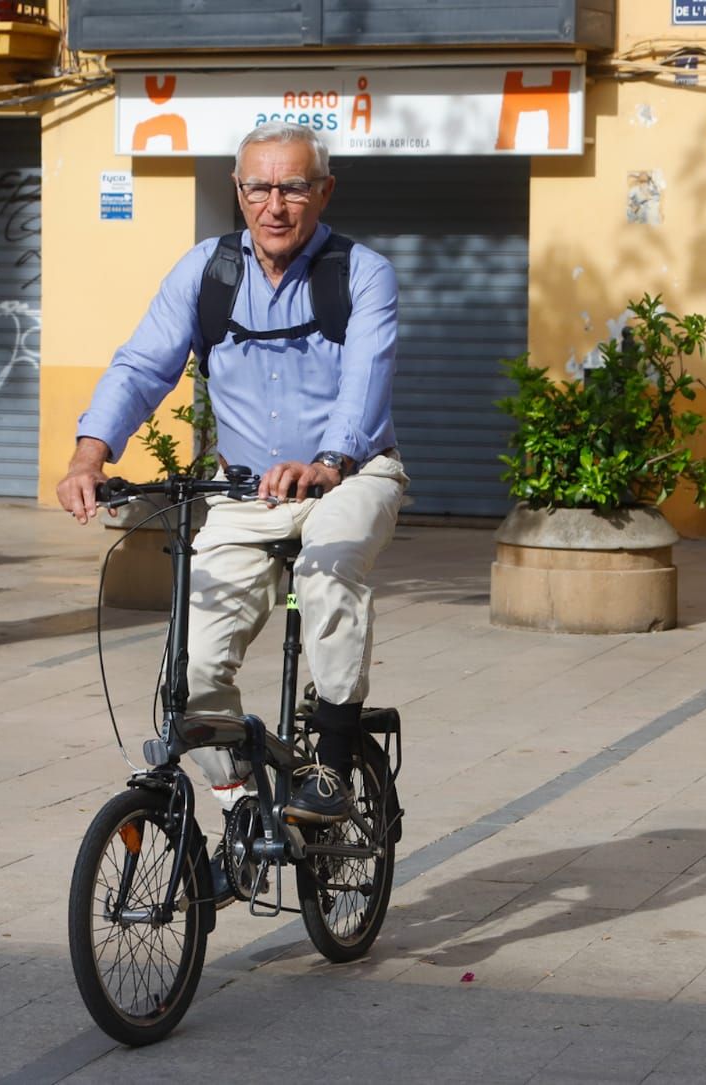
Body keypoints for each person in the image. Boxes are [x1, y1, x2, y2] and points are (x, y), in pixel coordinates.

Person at [56, 121, 407, 835]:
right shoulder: (207, 271)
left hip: (352, 476)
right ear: (238, 193)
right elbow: (143, 363)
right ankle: (243, 804)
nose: (275, 205)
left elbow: (367, 379)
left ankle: (331, 768)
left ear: (324, 191)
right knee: (187, 674)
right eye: (258, 187)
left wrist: (329, 462)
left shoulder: (361, 272)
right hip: (247, 491)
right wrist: (90, 453)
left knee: (328, 571)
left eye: (293, 187)